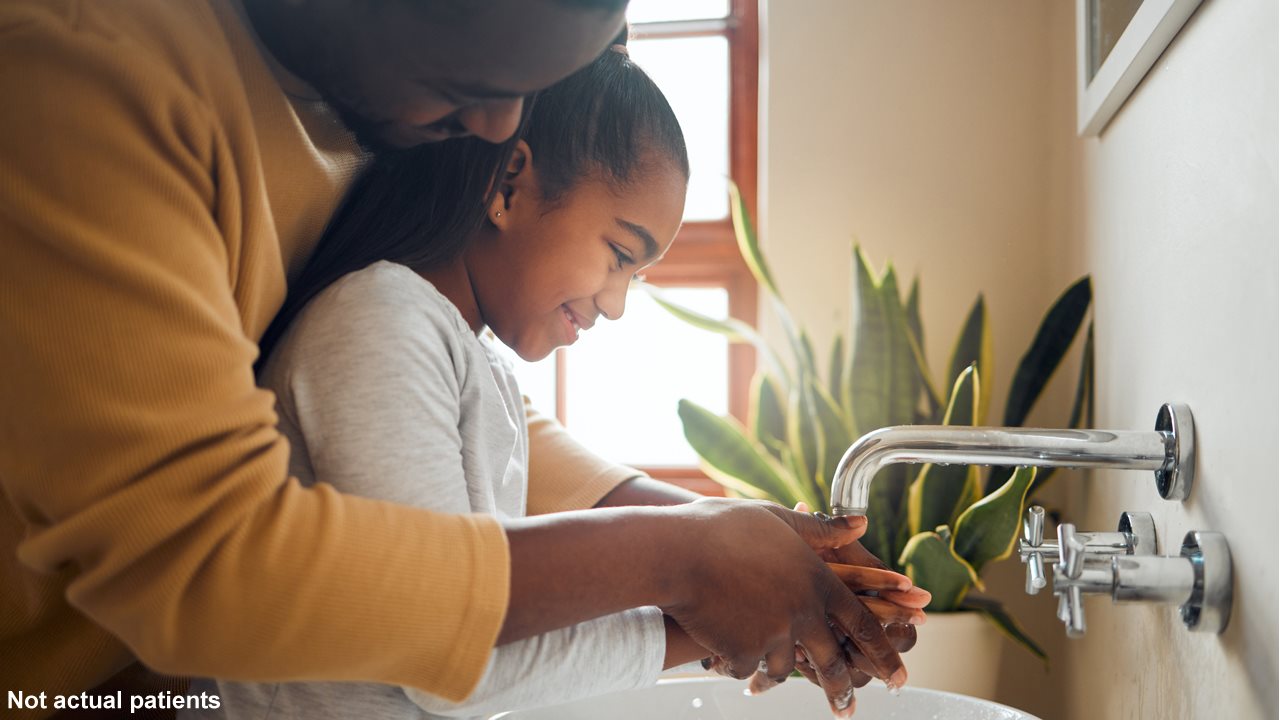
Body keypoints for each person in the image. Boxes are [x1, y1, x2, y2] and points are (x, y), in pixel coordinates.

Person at [0, 1, 908, 718]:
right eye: (477, 74)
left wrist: (735, 546)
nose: (499, 121)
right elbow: (215, 562)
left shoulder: (392, 111)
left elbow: (442, 408)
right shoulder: (88, 75)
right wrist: (685, 565)